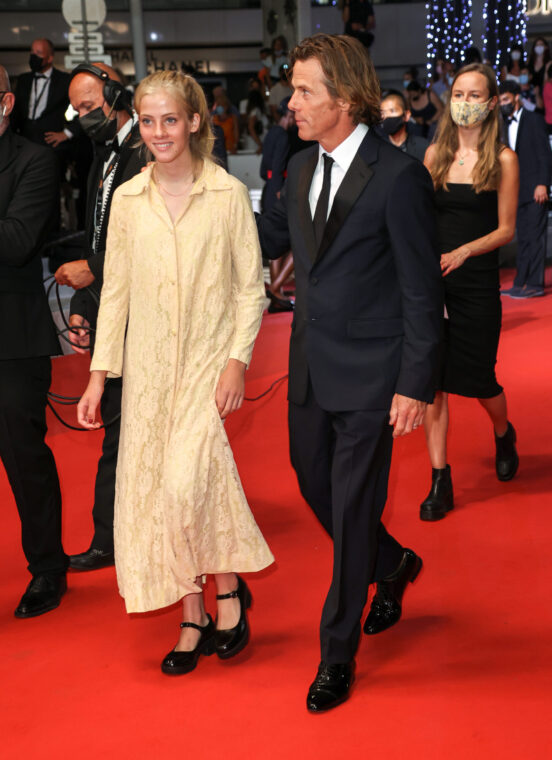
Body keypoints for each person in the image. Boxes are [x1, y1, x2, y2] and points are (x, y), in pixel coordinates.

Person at [257, 34, 442, 712]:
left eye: (304, 90)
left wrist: (415, 382)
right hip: (310, 367)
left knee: (352, 504)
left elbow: (422, 291)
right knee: (314, 487)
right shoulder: (302, 169)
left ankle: (337, 652)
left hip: (373, 374)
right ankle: (392, 563)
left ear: (344, 97)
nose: (292, 101)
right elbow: (271, 241)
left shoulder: (399, 177)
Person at [77, 71, 273, 672]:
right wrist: (97, 376)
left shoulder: (228, 196)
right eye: (148, 119)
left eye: (170, 119)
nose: (159, 131)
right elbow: (116, 297)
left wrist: (237, 360)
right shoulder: (129, 201)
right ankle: (195, 611)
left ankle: (230, 589)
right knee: (164, 495)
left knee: (187, 485)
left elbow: (251, 290)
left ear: (194, 121)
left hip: (208, 366)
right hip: (149, 372)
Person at [54, 63, 147, 571]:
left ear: (116, 94)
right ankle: (109, 536)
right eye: (79, 110)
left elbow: (143, 245)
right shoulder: (102, 158)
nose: (85, 117)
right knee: (115, 430)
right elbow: (96, 237)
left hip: (149, 317)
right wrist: (83, 308)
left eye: (91, 106)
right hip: (112, 313)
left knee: (132, 433)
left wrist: (91, 269)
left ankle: (116, 537)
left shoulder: (147, 152)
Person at [421, 63, 520, 522]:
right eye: (459, 92)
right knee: (434, 385)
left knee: (481, 380)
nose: (465, 101)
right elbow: (420, 221)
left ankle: (503, 431)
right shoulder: (434, 155)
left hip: (477, 284)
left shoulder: (502, 159)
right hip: (434, 285)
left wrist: (463, 251)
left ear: (492, 101)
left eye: (475, 94)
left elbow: (505, 230)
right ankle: (440, 479)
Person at [0, 65, 68, 617]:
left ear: (4, 104)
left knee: (25, 462)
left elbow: (18, 241)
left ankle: (48, 568)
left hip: (12, 340)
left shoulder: (33, 160)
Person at [498, 80, 552, 299]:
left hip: (535, 188)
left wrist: (543, 184)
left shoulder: (534, 120)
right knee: (523, 236)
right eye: (500, 101)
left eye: (506, 100)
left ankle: (535, 283)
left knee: (536, 236)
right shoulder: (501, 124)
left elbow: (545, 155)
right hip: (515, 191)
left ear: (516, 97)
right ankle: (521, 282)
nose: (503, 104)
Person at [261, 96, 296, 313]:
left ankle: (276, 294)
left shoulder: (272, 133)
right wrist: (280, 192)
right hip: (279, 193)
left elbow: (264, 170)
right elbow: (277, 167)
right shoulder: (283, 136)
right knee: (293, 243)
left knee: (275, 243)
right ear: (288, 114)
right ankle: (275, 288)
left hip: (269, 192)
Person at [380, 91, 429, 161]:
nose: (386, 116)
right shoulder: (379, 148)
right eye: (383, 113)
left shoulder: (423, 146)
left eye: (392, 111)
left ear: (406, 115)